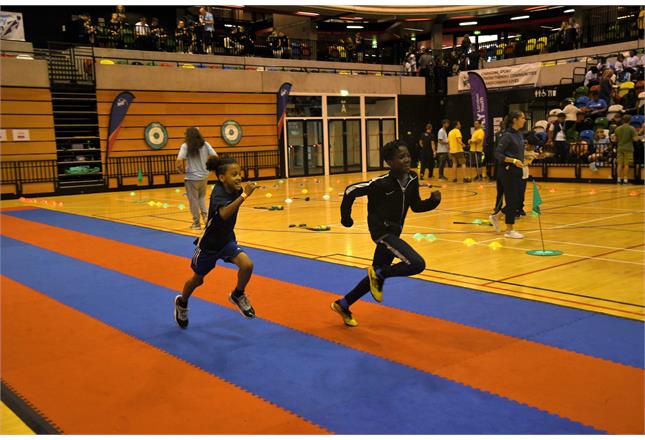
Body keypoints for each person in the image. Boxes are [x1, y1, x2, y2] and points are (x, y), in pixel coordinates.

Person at [331, 140, 442, 326]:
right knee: (416, 264)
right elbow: (351, 191)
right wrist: (346, 219)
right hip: (382, 233)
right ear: (389, 162)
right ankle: (380, 274)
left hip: (395, 234)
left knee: (374, 277)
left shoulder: (413, 179)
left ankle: (343, 304)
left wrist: (433, 202)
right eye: (401, 157)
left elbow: (416, 206)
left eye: (408, 156)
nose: (407, 160)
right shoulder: (380, 183)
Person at [174, 156, 258, 329]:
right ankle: (182, 303)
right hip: (208, 246)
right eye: (234, 174)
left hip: (227, 241)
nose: (239, 177)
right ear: (221, 177)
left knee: (247, 265)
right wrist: (244, 195)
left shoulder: (237, 189)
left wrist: (242, 193)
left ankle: (238, 294)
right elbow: (224, 214)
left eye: (239, 173)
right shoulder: (218, 192)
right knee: (197, 280)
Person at [489, 111, 526, 239]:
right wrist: (513, 160)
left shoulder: (520, 134)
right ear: (515, 120)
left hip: (517, 171)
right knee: (511, 199)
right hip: (507, 170)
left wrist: (528, 157)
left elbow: (518, 153)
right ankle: (509, 230)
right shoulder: (507, 136)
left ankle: (496, 216)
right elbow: (498, 154)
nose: (524, 120)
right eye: (522, 118)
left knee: (517, 200)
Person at [176, 127, 218, 229]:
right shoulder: (205, 144)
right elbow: (215, 155)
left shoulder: (185, 146)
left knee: (193, 200)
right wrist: (209, 168)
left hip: (191, 177)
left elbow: (179, 160)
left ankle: (196, 223)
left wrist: (180, 170)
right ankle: (206, 218)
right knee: (201, 197)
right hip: (204, 176)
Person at [613, 114, 639, 185]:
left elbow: (615, 140)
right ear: (630, 120)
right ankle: (625, 180)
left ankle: (618, 180)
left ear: (622, 120)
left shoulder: (617, 128)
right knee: (626, 164)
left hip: (620, 148)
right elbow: (635, 139)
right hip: (628, 148)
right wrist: (640, 136)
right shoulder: (631, 128)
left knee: (620, 164)